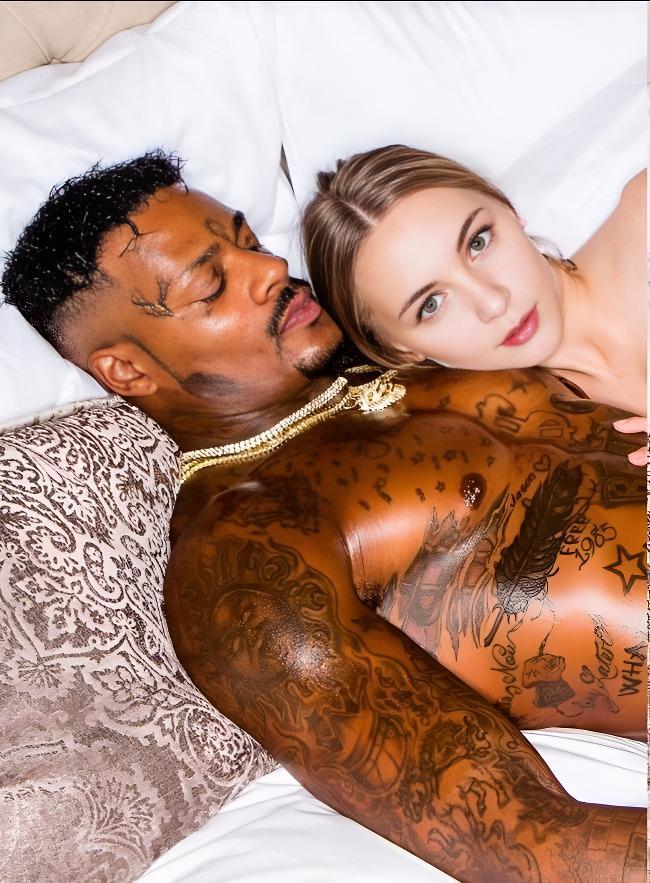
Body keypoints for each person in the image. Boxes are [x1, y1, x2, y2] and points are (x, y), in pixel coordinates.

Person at [2, 152, 646, 883]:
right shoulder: (247, 552)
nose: (269, 268)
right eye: (212, 285)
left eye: (248, 240)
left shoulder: (425, 336)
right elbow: (533, 842)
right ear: (128, 371)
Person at [302, 145, 647, 465]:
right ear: (398, 348)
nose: (493, 303)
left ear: (507, 207)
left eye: (477, 243)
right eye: (431, 304)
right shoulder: (534, 454)